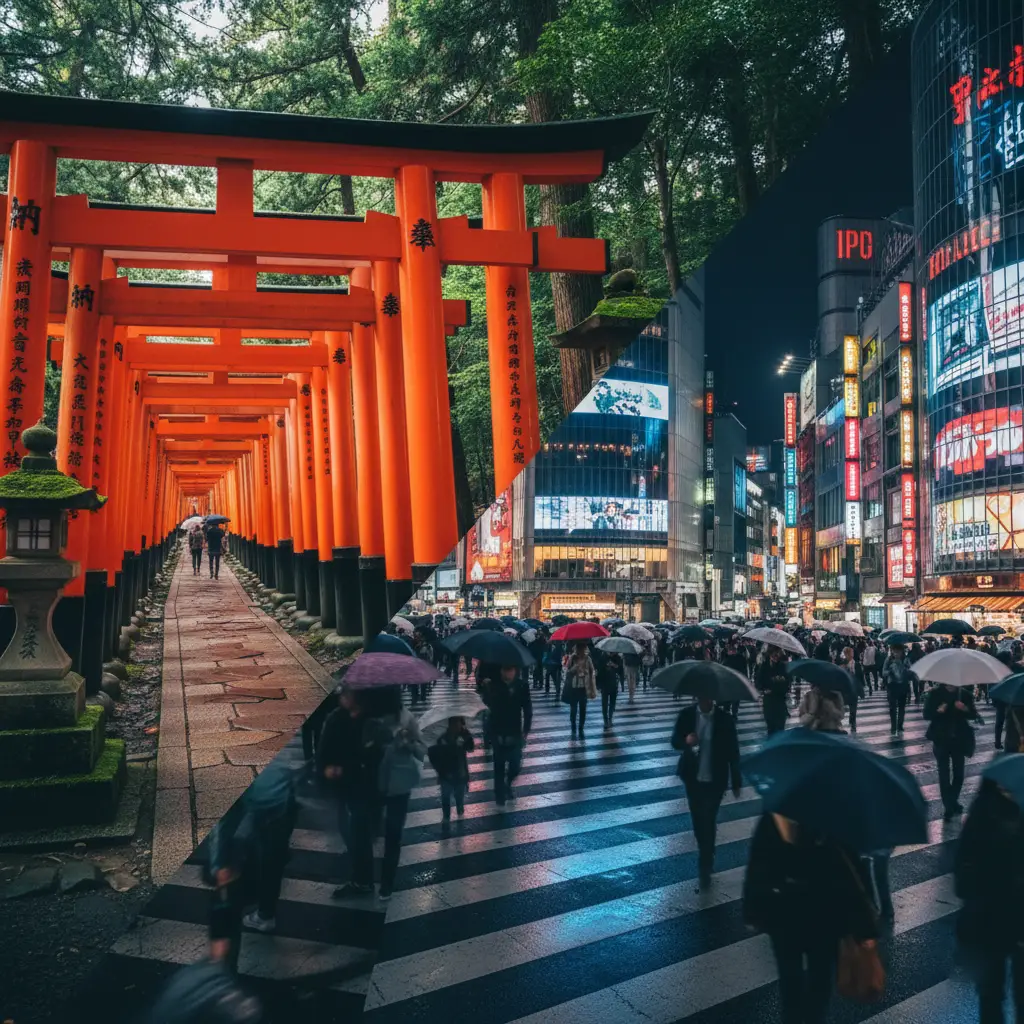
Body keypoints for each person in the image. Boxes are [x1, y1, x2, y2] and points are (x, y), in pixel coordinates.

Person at [743, 813, 881, 1024]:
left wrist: (753, 908)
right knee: (820, 978)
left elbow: (759, 862)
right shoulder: (832, 818)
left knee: (791, 979)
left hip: (785, 914)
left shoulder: (776, 815)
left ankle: (794, 1019)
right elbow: (852, 875)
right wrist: (865, 927)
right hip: (823, 915)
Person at [322, 685, 426, 901]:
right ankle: (364, 879)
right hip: (375, 784)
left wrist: (407, 742)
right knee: (362, 830)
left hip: (399, 785)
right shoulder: (370, 719)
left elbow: (421, 750)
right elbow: (364, 749)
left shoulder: (407, 718)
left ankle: (386, 884)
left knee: (393, 835)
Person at [955, 778, 1024, 1024]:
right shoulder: (996, 811)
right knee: (1007, 994)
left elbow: (962, 873)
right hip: (1007, 919)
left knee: (993, 995)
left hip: (989, 918)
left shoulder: (983, 808)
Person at [672, 695, 741, 889]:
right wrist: (686, 740)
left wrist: (736, 779)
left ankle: (705, 859)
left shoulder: (725, 719)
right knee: (697, 819)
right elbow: (675, 741)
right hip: (692, 777)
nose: (705, 701)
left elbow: (733, 751)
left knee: (709, 817)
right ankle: (706, 848)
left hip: (715, 778)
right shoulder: (686, 715)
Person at [924, 682, 980, 822]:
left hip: (959, 739)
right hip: (941, 739)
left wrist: (965, 708)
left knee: (959, 774)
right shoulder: (935, 693)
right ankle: (948, 806)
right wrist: (938, 711)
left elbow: (973, 714)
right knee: (943, 774)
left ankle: (952, 800)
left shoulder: (964, 694)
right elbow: (926, 714)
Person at [481, 663, 532, 806]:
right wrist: (486, 689)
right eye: (505, 669)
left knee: (515, 765)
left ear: (515, 670)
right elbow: (486, 705)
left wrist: (526, 731)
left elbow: (527, 709)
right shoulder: (494, 685)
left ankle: (508, 783)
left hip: (515, 732)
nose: (507, 673)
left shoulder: (522, 686)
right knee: (499, 766)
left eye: (510, 669)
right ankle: (499, 797)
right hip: (498, 732)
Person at [427, 716, 475, 822]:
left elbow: (471, 748)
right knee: (445, 797)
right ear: (450, 725)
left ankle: (459, 807)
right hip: (446, 774)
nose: (457, 726)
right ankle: (446, 816)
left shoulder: (463, 736)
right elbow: (434, 755)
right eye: (455, 724)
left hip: (460, 773)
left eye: (459, 724)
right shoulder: (443, 739)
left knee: (459, 796)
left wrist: (466, 735)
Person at [562, 642, 597, 737]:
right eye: (580, 649)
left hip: (584, 688)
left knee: (583, 709)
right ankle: (573, 725)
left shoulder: (588, 659)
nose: (582, 651)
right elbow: (567, 672)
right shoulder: (572, 658)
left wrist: (587, 673)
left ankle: (581, 727)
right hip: (573, 687)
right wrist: (574, 668)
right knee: (573, 709)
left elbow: (592, 671)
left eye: (583, 649)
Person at [757, 646, 791, 735]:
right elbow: (759, 682)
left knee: (780, 726)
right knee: (771, 727)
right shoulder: (764, 666)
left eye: (777, 655)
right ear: (770, 655)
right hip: (769, 700)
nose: (776, 657)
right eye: (773, 655)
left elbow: (788, 681)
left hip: (780, 699)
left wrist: (784, 684)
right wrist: (764, 690)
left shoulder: (783, 666)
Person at [882, 644, 914, 736]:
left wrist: (905, 669)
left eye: (898, 651)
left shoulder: (906, 660)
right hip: (892, 686)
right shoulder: (889, 660)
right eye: (894, 651)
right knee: (892, 708)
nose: (896, 653)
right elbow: (883, 672)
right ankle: (893, 727)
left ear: (902, 651)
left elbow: (911, 671)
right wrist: (890, 671)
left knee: (902, 707)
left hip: (903, 686)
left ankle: (900, 725)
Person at [837, 646, 861, 732]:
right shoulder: (842, 664)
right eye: (850, 653)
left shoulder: (856, 664)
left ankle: (853, 723)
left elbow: (860, 677)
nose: (852, 654)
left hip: (854, 688)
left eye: (852, 653)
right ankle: (839, 722)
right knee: (842, 706)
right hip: (845, 689)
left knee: (853, 708)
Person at [597, 650, 622, 728]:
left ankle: (610, 718)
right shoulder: (603, 657)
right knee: (604, 702)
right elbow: (599, 670)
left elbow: (621, 670)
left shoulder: (618, 658)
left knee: (612, 702)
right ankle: (605, 720)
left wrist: (615, 666)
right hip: (604, 683)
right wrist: (606, 665)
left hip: (614, 683)